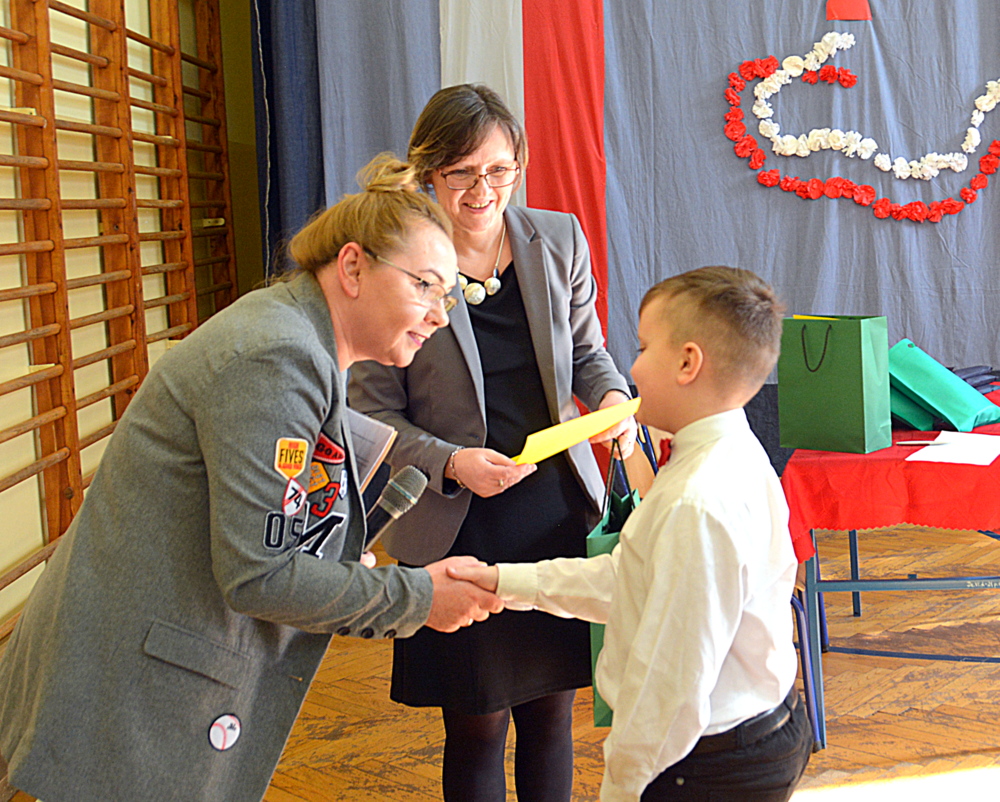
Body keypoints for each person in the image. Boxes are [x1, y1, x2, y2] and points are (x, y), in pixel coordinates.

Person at [0, 154, 504, 802]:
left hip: (145, 658)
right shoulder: (278, 354)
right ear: (353, 267)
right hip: (128, 684)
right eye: (425, 286)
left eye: (448, 295)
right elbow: (260, 573)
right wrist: (418, 599)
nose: (439, 315)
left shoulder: (297, 336)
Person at [348, 84, 637, 801]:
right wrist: (451, 462)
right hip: (460, 521)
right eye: (462, 173)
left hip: (554, 509)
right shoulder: (399, 256)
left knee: (553, 716)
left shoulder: (557, 238)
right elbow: (371, 410)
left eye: (500, 170)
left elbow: (588, 353)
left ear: (520, 165)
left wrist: (609, 398)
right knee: (476, 724)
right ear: (428, 173)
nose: (483, 190)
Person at [451, 267, 814, 801]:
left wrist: (621, 788)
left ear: (688, 362)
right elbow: (631, 581)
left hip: (705, 764)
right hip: (735, 742)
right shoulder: (724, 451)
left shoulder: (697, 502)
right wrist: (503, 582)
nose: (632, 368)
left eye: (643, 348)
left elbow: (671, 689)